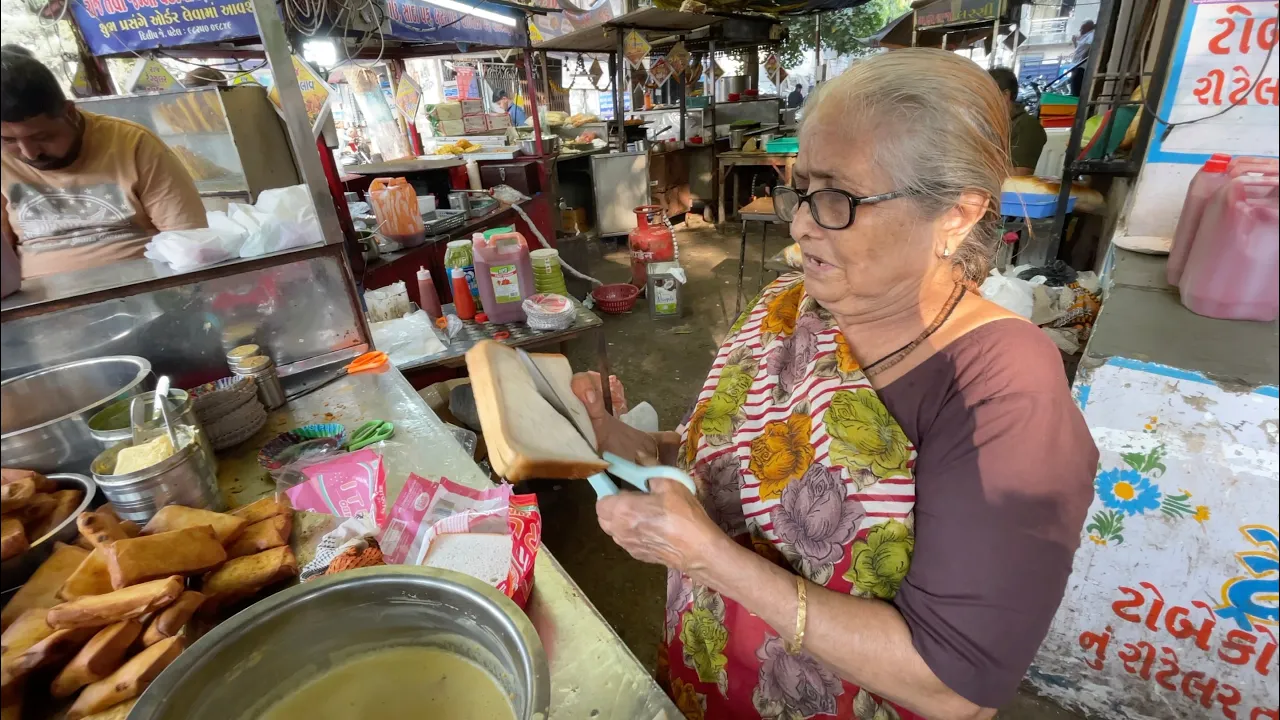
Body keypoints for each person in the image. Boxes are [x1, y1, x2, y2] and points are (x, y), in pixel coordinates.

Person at [570, 48, 1096, 720]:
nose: (799, 224)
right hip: (707, 685)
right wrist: (632, 445)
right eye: (801, 187)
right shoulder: (789, 307)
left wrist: (710, 560)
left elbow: (953, 687)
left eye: (837, 199)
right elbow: (728, 461)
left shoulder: (1001, 390)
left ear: (956, 216)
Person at [1, 47, 206, 280]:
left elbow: (189, 240)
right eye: (8, 140)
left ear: (69, 112)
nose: (29, 154)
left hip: (146, 295)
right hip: (42, 304)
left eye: (43, 137)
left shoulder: (132, 143)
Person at [989, 67, 1046, 176]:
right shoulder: (994, 122)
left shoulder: (1027, 126)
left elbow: (1018, 175)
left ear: (1005, 95)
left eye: (986, 93)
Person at [1069, 20, 1096, 97]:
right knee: (1074, 89)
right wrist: (1075, 42)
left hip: (1081, 67)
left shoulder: (1091, 35)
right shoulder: (1085, 36)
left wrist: (1085, 57)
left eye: (1082, 29)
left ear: (1088, 28)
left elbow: (1090, 48)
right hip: (1076, 65)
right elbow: (1079, 52)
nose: (1080, 31)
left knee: (1076, 90)